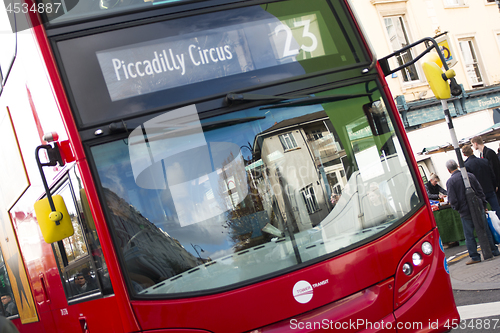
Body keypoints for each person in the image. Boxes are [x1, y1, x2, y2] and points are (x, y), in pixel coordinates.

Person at [445, 159, 500, 265]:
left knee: (469, 235)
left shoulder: (450, 182)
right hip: (478, 207)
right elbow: (480, 191)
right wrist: (483, 205)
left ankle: (475, 256)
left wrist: (458, 208)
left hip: (465, 212)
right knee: (485, 230)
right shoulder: (470, 176)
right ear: (457, 165)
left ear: (448, 170)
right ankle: (494, 251)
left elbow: (452, 200)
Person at [462, 144, 500, 220]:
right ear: (472, 150)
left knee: (484, 212)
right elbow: (492, 174)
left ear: (464, 154)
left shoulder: (466, 166)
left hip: (479, 192)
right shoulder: (484, 161)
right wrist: (495, 185)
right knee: (497, 209)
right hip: (490, 188)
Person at [471, 136, 500, 200]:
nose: (472, 146)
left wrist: (497, 184)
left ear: (475, 143)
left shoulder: (489, 152)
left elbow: (496, 168)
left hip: (496, 183)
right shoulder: (482, 154)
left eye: (472, 144)